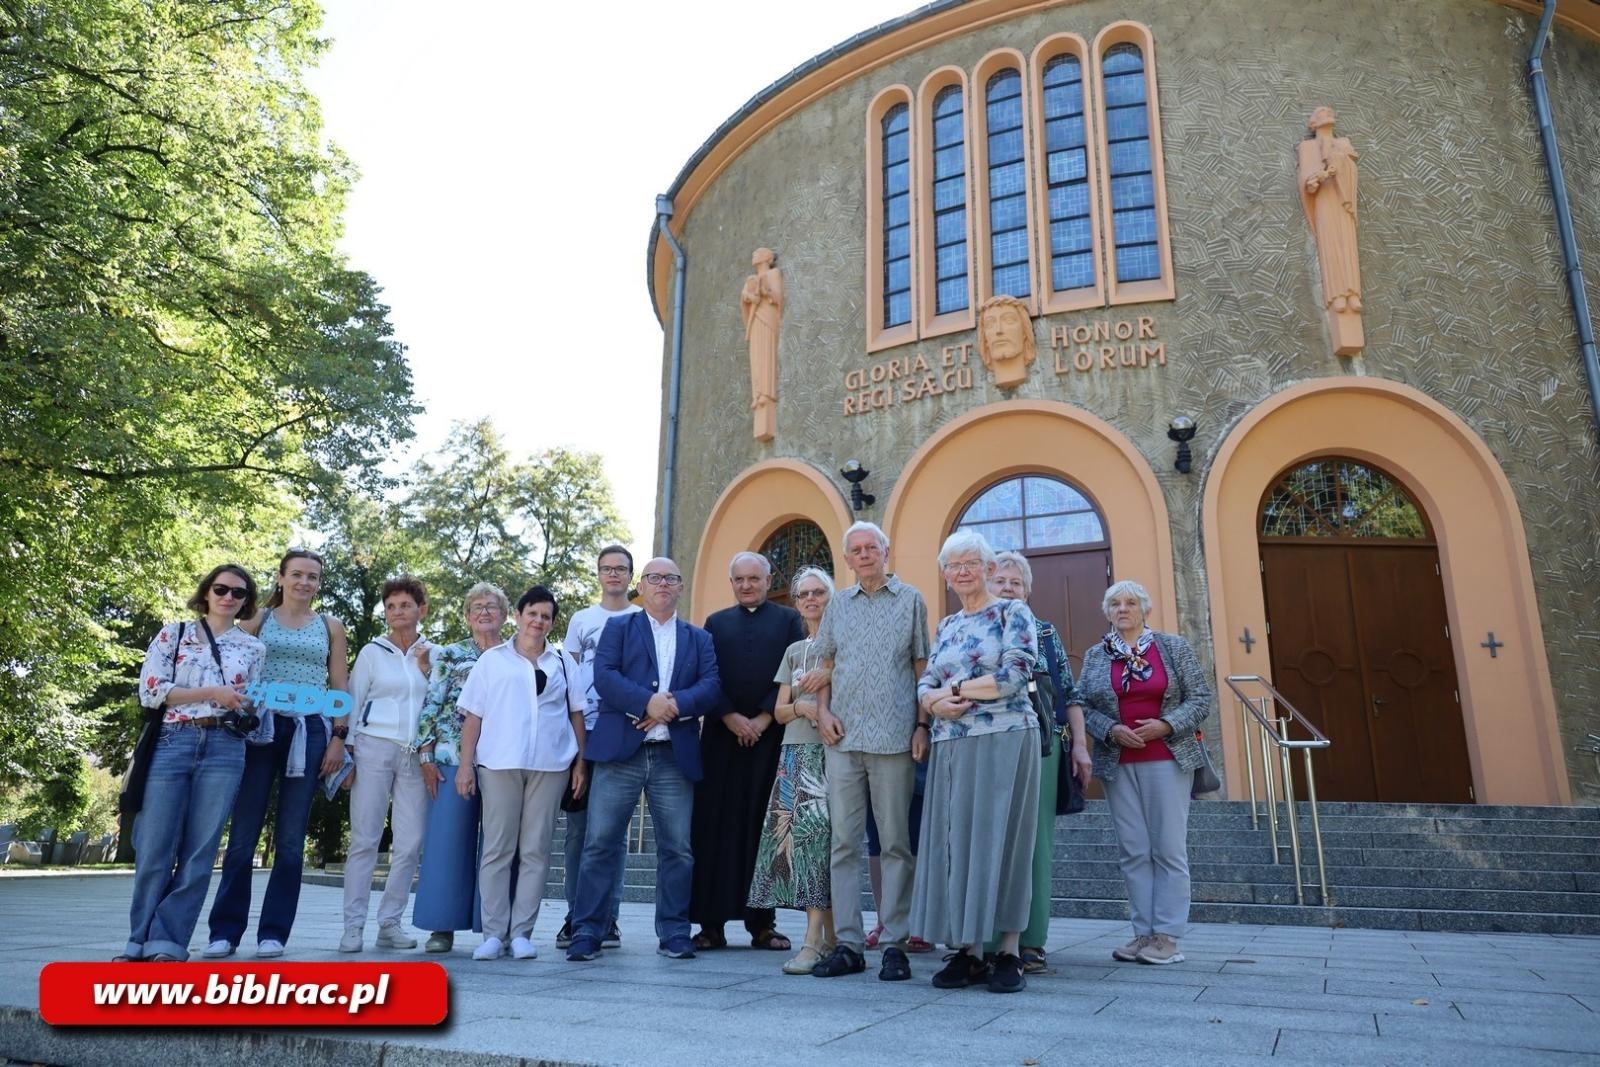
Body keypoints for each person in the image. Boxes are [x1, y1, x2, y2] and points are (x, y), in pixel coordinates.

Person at [566, 557, 722, 963]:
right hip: (620, 753)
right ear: (642, 586)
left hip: (674, 755)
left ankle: (673, 932)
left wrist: (673, 705)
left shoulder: (698, 638)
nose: (663, 585)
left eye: (671, 578)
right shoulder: (618, 628)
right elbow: (605, 677)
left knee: (677, 849)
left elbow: (711, 687)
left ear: (681, 587)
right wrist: (645, 702)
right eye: (654, 578)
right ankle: (587, 930)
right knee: (600, 843)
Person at [912, 531, 1041, 994]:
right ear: (946, 575)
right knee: (958, 842)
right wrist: (933, 702)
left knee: (1005, 838)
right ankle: (968, 952)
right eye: (953, 565)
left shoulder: (1012, 611)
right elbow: (923, 685)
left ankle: (1008, 952)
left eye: (971, 563)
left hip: (1006, 737)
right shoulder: (946, 625)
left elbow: (1016, 675)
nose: (962, 571)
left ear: (988, 568)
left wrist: (954, 693)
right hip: (952, 744)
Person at [206, 548, 349, 959]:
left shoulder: (330, 626)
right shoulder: (257, 621)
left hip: (309, 732)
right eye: (298, 575)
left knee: (290, 840)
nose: (305, 582)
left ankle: (273, 933)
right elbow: (229, 664)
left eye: (313, 577)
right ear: (281, 578)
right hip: (259, 731)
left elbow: (339, 683)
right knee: (243, 836)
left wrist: (339, 736)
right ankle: (224, 932)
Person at [120, 565, 266, 961]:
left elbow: (254, 704)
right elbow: (152, 691)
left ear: (245, 601)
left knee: (200, 853)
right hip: (173, 741)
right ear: (206, 592)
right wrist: (213, 691)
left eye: (238, 593)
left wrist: (248, 707)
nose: (228, 597)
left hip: (225, 747)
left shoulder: (253, 648)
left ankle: (167, 943)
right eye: (221, 588)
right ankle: (138, 940)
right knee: (154, 848)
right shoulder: (175, 632)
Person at [810, 521, 929, 983]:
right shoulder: (837, 604)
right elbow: (825, 665)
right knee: (843, 845)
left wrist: (922, 724)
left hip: (896, 739)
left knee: (896, 843)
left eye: (870, 547)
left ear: (885, 550)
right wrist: (822, 713)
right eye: (855, 550)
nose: (863, 555)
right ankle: (849, 944)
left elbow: (922, 668)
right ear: (847, 558)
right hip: (843, 741)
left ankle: (895, 942)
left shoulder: (911, 600)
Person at [1078, 579, 1214, 966]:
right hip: (1118, 763)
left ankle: (1168, 936)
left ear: (1145, 610)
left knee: (1168, 848)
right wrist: (1109, 729)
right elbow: (1082, 704)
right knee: (1134, 850)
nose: (1123, 608)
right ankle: (1143, 934)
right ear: (1107, 612)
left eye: (1131, 602)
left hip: (1167, 759)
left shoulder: (1172, 647)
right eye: (1115, 603)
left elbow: (1200, 698)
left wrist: (1166, 725)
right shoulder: (1096, 656)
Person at [454, 585, 586, 961]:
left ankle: (523, 933)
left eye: (546, 616)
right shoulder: (493, 661)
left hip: (551, 765)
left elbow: (577, 713)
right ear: (519, 615)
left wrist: (580, 762)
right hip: (499, 763)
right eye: (533, 614)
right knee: (497, 849)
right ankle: (494, 934)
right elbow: (472, 717)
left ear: (551, 622)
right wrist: (466, 765)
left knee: (536, 849)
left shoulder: (562, 663)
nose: (538, 621)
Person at [690, 551, 806, 952]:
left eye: (753, 579)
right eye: (739, 579)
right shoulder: (715, 624)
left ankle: (762, 924)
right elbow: (707, 675)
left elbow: (793, 675)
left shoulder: (789, 620)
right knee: (715, 829)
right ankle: (711, 925)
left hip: (769, 737)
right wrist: (729, 717)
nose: (746, 585)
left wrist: (761, 719)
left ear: (768, 578)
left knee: (765, 828)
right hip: (721, 740)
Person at [984, 549, 1092, 974]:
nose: (1007, 588)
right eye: (1001, 581)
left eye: (1015, 583)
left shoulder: (1044, 633)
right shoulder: (975, 630)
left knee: (1036, 843)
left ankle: (1031, 940)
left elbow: (1071, 694)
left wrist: (1080, 747)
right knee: (989, 839)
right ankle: (989, 939)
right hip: (987, 746)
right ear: (988, 585)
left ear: (1027, 591)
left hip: (1043, 746)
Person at [340, 576, 439, 953]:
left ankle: (389, 923)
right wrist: (347, 753)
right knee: (364, 840)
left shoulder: (432, 652)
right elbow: (353, 698)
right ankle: (352, 927)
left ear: (421, 610)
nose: (397, 612)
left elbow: (439, 703)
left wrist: (428, 668)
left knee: (410, 842)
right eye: (391, 606)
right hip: (372, 748)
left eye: (405, 605)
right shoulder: (371, 652)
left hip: (415, 753)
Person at [747, 566, 837, 974]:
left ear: (830, 597)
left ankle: (817, 941)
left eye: (819, 592)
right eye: (804, 594)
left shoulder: (842, 646)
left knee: (823, 844)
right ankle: (822, 937)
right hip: (794, 755)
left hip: (833, 754)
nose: (811, 599)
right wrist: (802, 706)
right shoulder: (795, 651)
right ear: (797, 603)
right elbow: (780, 710)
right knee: (802, 847)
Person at [412, 582, 510, 953]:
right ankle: (441, 926)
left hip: (502, 759)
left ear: (504, 615)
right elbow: (431, 703)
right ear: (467, 616)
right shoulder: (450, 655)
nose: (485, 612)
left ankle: (494, 925)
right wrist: (425, 755)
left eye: (492, 606)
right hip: (452, 757)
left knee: (499, 844)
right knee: (447, 841)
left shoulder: (515, 655)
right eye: (477, 607)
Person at [556, 545, 639, 951]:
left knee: (613, 832)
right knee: (578, 831)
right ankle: (576, 914)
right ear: (598, 573)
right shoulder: (581, 619)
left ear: (630, 576)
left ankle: (610, 918)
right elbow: (568, 674)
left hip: (623, 731)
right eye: (607, 568)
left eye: (620, 569)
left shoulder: (641, 619)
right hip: (583, 731)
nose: (613, 575)